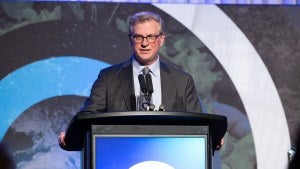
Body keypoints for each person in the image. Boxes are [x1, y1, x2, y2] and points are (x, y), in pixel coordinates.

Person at [59, 11, 203, 148]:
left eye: (151, 37)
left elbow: (198, 125)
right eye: (138, 37)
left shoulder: (182, 81)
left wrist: (212, 138)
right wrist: (72, 137)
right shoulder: (108, 77)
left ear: (161, 39)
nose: (144, 43)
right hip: (121, 156)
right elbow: (88, 116)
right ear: (130, 39)